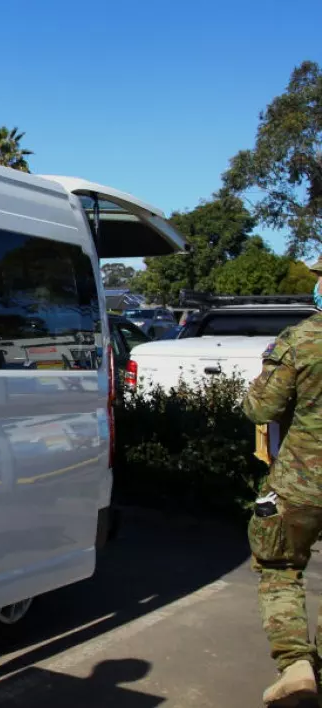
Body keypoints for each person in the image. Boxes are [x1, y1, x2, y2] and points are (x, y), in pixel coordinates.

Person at [242, 257, 322, 706]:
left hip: (300, 484)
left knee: (279, 569)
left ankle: (295, 665)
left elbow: (261, 409)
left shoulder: (303, 339)